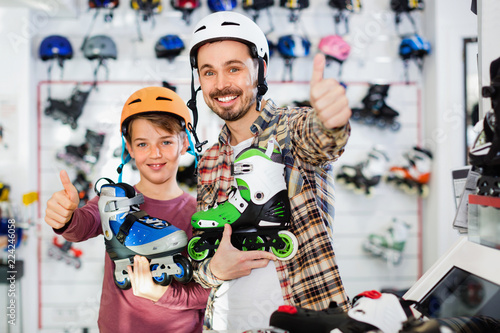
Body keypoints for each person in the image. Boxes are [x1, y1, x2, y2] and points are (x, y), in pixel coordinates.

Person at [186, 11, 352, 331]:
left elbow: (320, 139)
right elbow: (203, 260)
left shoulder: (291, 129)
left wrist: (332, 121)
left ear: (259, 70)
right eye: (209, 72)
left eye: (233, 68)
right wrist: (213, 271)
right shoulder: (208, 160)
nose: (221, 84)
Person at [44, 86, 210, 333]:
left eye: (165, 141)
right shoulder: (114, 200)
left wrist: (161, 294)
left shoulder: (201, 212)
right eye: (143, 144)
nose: (155, 153)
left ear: (184, 143)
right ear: (129, 148)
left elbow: (208, 292)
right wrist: (66, 217)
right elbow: (82, 225)